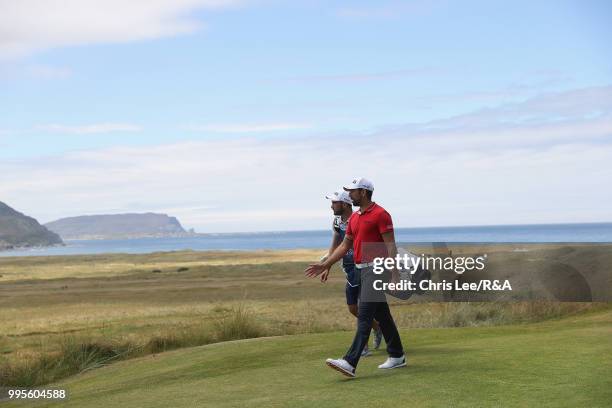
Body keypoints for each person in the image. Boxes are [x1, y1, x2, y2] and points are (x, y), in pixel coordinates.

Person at [305, 177, 405, 378]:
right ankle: (397, 355)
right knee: (383, 315)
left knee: (365, 316)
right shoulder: (355, 219)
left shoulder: (381, 215)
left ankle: (350, 362)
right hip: (361, 269)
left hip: (378, 270)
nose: (349, 195)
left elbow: (390, 247)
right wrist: (326, 264)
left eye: (353, 191)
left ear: (364, 192)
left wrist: (395, 275)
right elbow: (344, 246)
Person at [318, 190, 383, 356]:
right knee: (353, 308)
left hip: (364, 268)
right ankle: (377, 326)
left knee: (363, 307)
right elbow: (336, 244)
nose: (331, 206)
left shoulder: (358, 219)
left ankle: (363, 346)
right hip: (349, 270)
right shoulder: (337, 222)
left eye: (334, 202)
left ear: (345, 204)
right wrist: (327, 266)